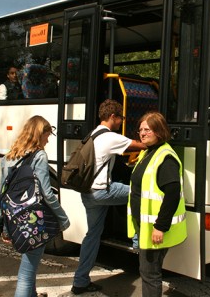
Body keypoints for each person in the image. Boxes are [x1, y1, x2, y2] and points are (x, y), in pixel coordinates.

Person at [71, 99, 146, 295]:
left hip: (87, 193)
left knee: (92, 235)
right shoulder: (110, 137)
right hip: (102, 191)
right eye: (120, 118)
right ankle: (138, 241)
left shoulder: (92, 134)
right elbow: (142, 145)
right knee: (138, 193)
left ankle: (80, 281)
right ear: (112, 117)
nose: (121, 121)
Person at [0, 115, 70, 297]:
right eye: (47, 135)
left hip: (15, 219)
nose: (47, 140)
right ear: (39, 134)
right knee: (26, 272)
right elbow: (47, 193)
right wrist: (63, 218)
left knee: (28, 264)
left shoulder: (8, 156)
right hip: (33, 219)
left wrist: (6, 229)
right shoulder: (39, 156)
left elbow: (2, 196)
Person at [127, 111, 187, 297]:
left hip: (154, 230)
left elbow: (172, 194)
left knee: (150, 274)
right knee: (149, 272)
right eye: (140, 130)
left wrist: (160, 227)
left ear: (159, 131)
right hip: (144, 227)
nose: (142, 133)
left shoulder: (165, 157)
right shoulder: (148, 152)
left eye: (147, 130)